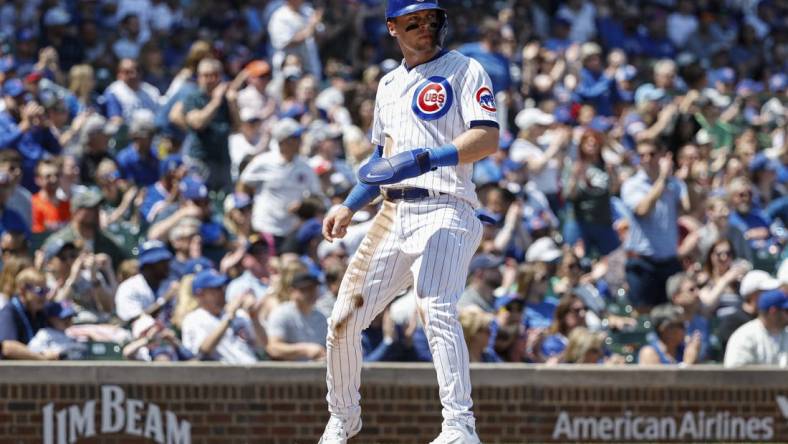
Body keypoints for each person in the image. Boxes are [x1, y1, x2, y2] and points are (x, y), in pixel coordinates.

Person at [319, 2, 499, 441]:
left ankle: (460, 424)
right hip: (392, 211)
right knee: (342, 319)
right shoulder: (387, 84)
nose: (425, 28)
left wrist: (426, 158)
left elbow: (487, 136)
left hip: (447, 205)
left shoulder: (465, 68)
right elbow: (383, 160)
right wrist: (349, 204)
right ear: (393, 28)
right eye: (414, 22)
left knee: (435, 304)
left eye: (432, 20)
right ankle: (343, 416)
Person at [621, 142, 689, 310]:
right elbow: (643, 210)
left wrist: (689, 178)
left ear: (661, 156)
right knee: (643, 311)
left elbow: (687, 208)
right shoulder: (631, 185)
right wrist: (662, 180)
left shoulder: (675, 183)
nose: (647, 159)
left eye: (652, 154)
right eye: (642, 155)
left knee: (672, 312)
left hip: (669, 261)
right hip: (643, 262)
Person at [181, 268, 266, 363]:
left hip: (253, 370)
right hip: (223, 374)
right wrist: (229, 318)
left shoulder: (239, 315)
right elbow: (203, 350)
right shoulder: (193, 319)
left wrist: (253, 316)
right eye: (216, 289)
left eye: (222, 287)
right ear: (200, 294)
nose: (222, 292)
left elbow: (264, 345)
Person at [266, 271, 327, 361]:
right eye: (306, 289)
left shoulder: (321, 317)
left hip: (316, 372)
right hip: (288, 372)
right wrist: (304, 349)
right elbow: (273, 348)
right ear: (292, 291)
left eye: (314, 288)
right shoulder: (281, 313)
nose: (312, 293)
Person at [0, 268, 60, 360]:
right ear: (22, 291)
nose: (44, 296)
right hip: (13, 372)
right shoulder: (9, 311)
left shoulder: (40, 312)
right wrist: (42, 358)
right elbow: (7, 347)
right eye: (40, 291)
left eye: (46, 290)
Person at [724, 289, 788, 367]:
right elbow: (736, 373)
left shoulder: (785, 333)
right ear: (773, 311)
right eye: (786, 311)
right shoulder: (745, 336)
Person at [114, 240, 173, 323]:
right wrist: (164, 300)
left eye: (167, 261)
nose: (167, 266)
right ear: (148, 265)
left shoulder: (170, 284)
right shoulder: (129, 288)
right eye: (161, 263)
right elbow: (135, 321)